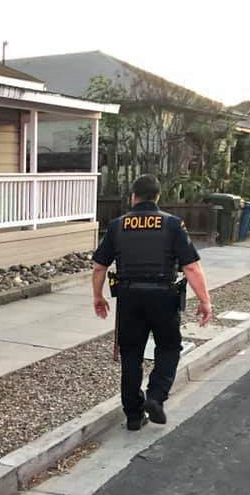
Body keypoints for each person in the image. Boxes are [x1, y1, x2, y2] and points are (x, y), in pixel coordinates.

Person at [91, 174, 212, 431]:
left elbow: (99, 266)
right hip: (163, 297)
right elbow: (191, 267)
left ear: (133, 196)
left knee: (131, 353)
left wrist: (98, 296)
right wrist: (205, 301)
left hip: (129, 297)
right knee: (168, 347)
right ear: (157, 196)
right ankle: (155, 396)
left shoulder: (117, 225)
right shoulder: (173, 225)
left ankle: (133, 416)